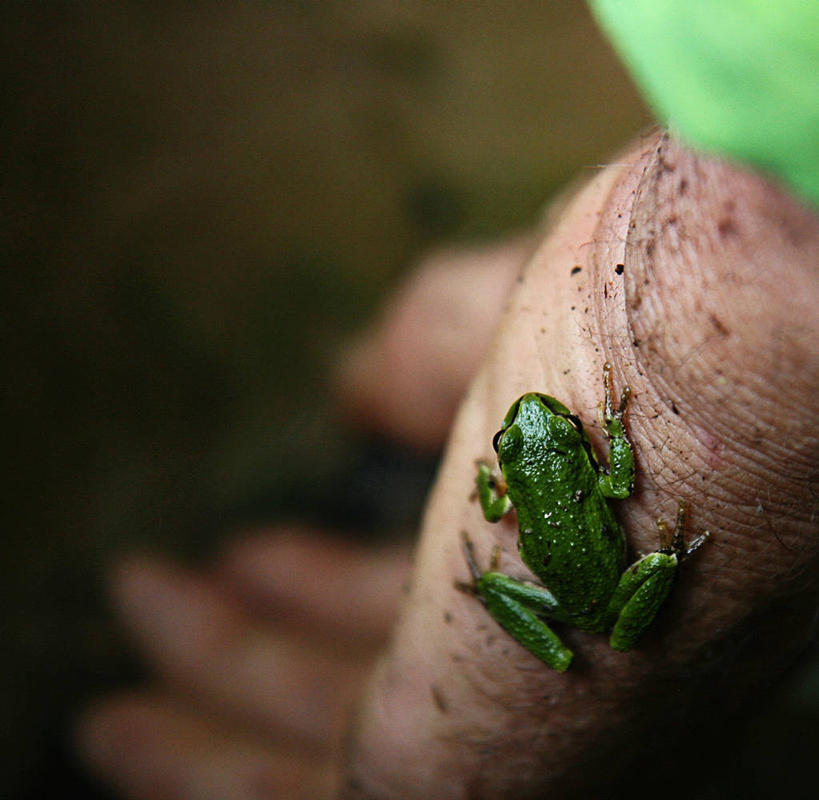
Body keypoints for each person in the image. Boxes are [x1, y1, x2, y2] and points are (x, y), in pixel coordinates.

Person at [75, 131, 819, 798]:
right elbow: (621, 482)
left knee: (511, 585)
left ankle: (548, 626)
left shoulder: (511, 498)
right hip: (601, 583)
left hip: (563, 597)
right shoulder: (594, 469)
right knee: (634, 580)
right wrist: (625, 426)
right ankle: (652, 572)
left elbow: (502, 510)